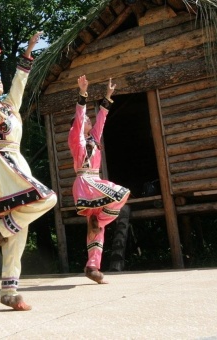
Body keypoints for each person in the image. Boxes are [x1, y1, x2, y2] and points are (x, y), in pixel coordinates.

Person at [0, 21, 57, 311]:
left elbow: (19, 82)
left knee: (20, 229)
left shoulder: (9, 107)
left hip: (15, 160)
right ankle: (1, 229)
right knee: (48, 197)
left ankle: (9, 290)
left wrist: (30, 49)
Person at [69, 75, 130, 284]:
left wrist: (107, 96)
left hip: (94, 183)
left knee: (97, 229)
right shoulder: (75, 138)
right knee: (121, 193)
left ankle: (92, 267)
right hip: (86, 182)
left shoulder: (93, 138)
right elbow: (79, 116)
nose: (88, 120)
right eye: (85, 120)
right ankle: (100, 220)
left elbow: (102, 119)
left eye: (88, 119)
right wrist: (83, 93)